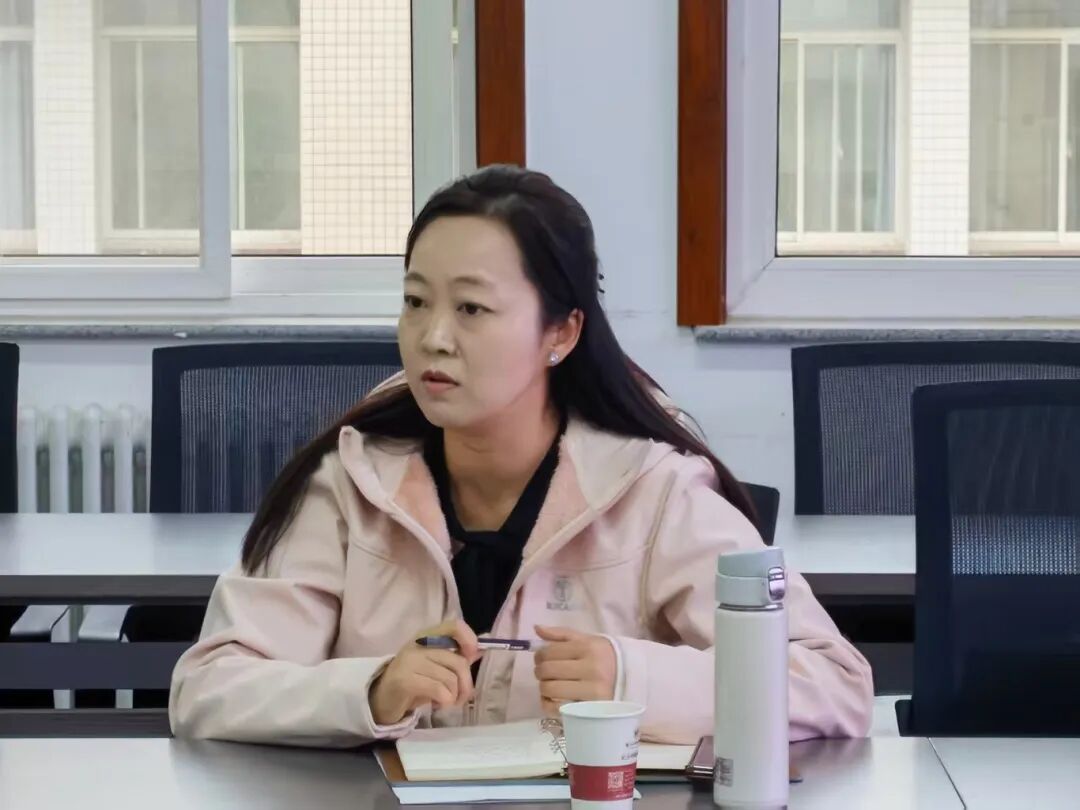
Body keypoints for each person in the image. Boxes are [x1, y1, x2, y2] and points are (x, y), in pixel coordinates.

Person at [169, 165, 873, 747]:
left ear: (560, 333)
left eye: (471, 309)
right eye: (415, 302)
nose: (433, 337)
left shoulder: (655, 491)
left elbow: (834, 683)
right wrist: (371, 690)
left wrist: (633, 681)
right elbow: (208, 687)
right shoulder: (351, 483)